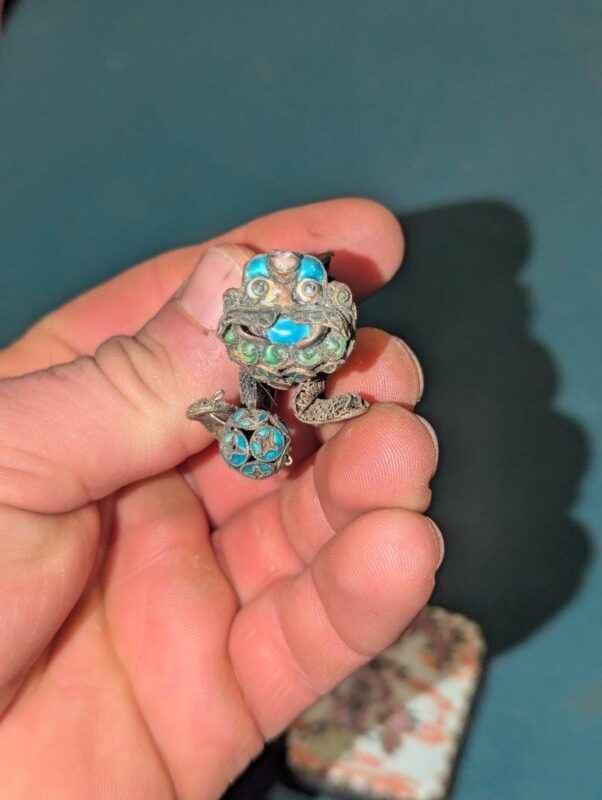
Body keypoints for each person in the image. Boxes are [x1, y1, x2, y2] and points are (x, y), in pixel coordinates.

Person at [0, 197, 442, 798]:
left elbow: (320, 353)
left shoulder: (319, 320)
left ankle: (253, 425)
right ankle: (241, 425)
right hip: (256, 380)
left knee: (317, 420)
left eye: (299, 287)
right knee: (280, 420)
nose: (284, 297)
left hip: (293, 379)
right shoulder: (246, 330)